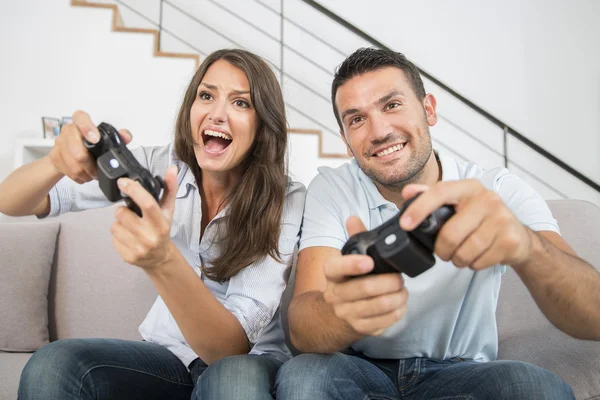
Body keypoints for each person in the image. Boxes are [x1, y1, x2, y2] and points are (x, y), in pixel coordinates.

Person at [275, 47, 600, 400]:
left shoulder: (496, 190)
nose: (379, 131)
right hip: (361, 367)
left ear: (428, 109)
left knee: (536, 387)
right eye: (356, 119)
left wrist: (527, 246)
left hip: (462, 369)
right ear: (346, 142)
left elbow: (593, 315)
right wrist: (342, 314)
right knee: (303, 375)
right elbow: (303, 330)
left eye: (392, 105)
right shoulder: (333, 187)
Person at [0, 48, 306, 399]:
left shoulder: (286, 199)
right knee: (53, 363)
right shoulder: (159, 165)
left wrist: (161, 258)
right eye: (206, 96)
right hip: (168, 357)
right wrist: (56, 163)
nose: (217, 114)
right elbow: (10, 201)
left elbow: (228, 348)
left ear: (263, 124)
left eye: (241, 103)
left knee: (231, 381)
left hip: (247, 361)